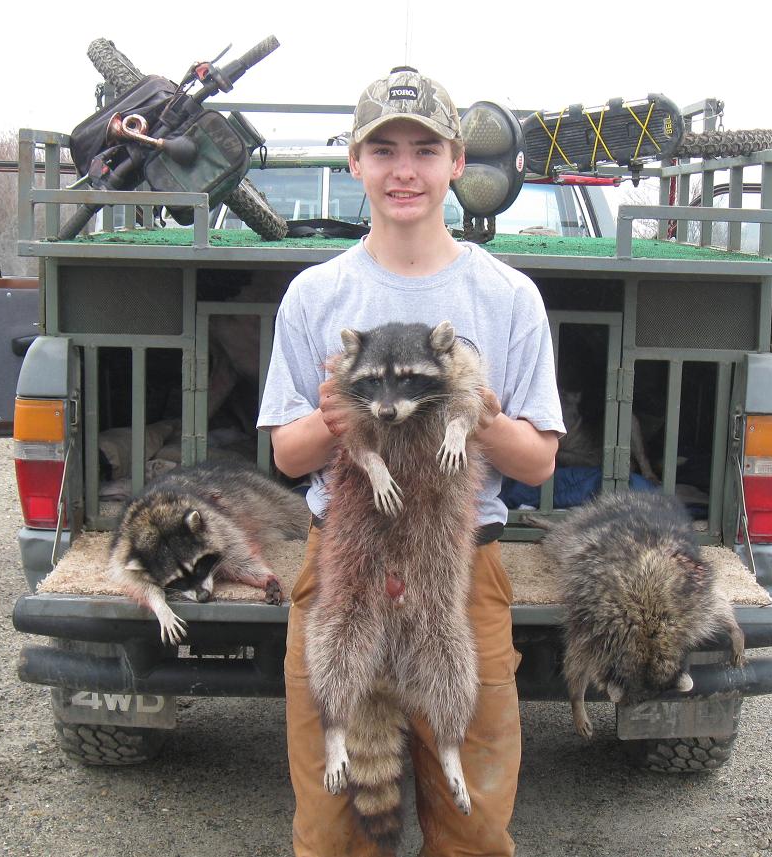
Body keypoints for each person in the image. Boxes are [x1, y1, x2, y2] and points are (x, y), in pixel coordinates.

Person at [257, 66, 563, 857]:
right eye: (383, 150)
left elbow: (537, 462)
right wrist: (337, 420)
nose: (404, 170)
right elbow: (287, 452)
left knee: (473, 830)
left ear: (457, 162)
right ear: (354, 162)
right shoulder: (316, 295)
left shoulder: (507, 296)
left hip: (459, 570)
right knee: (334, 833)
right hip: (345, 566)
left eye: (424, 150)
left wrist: (478, 417)